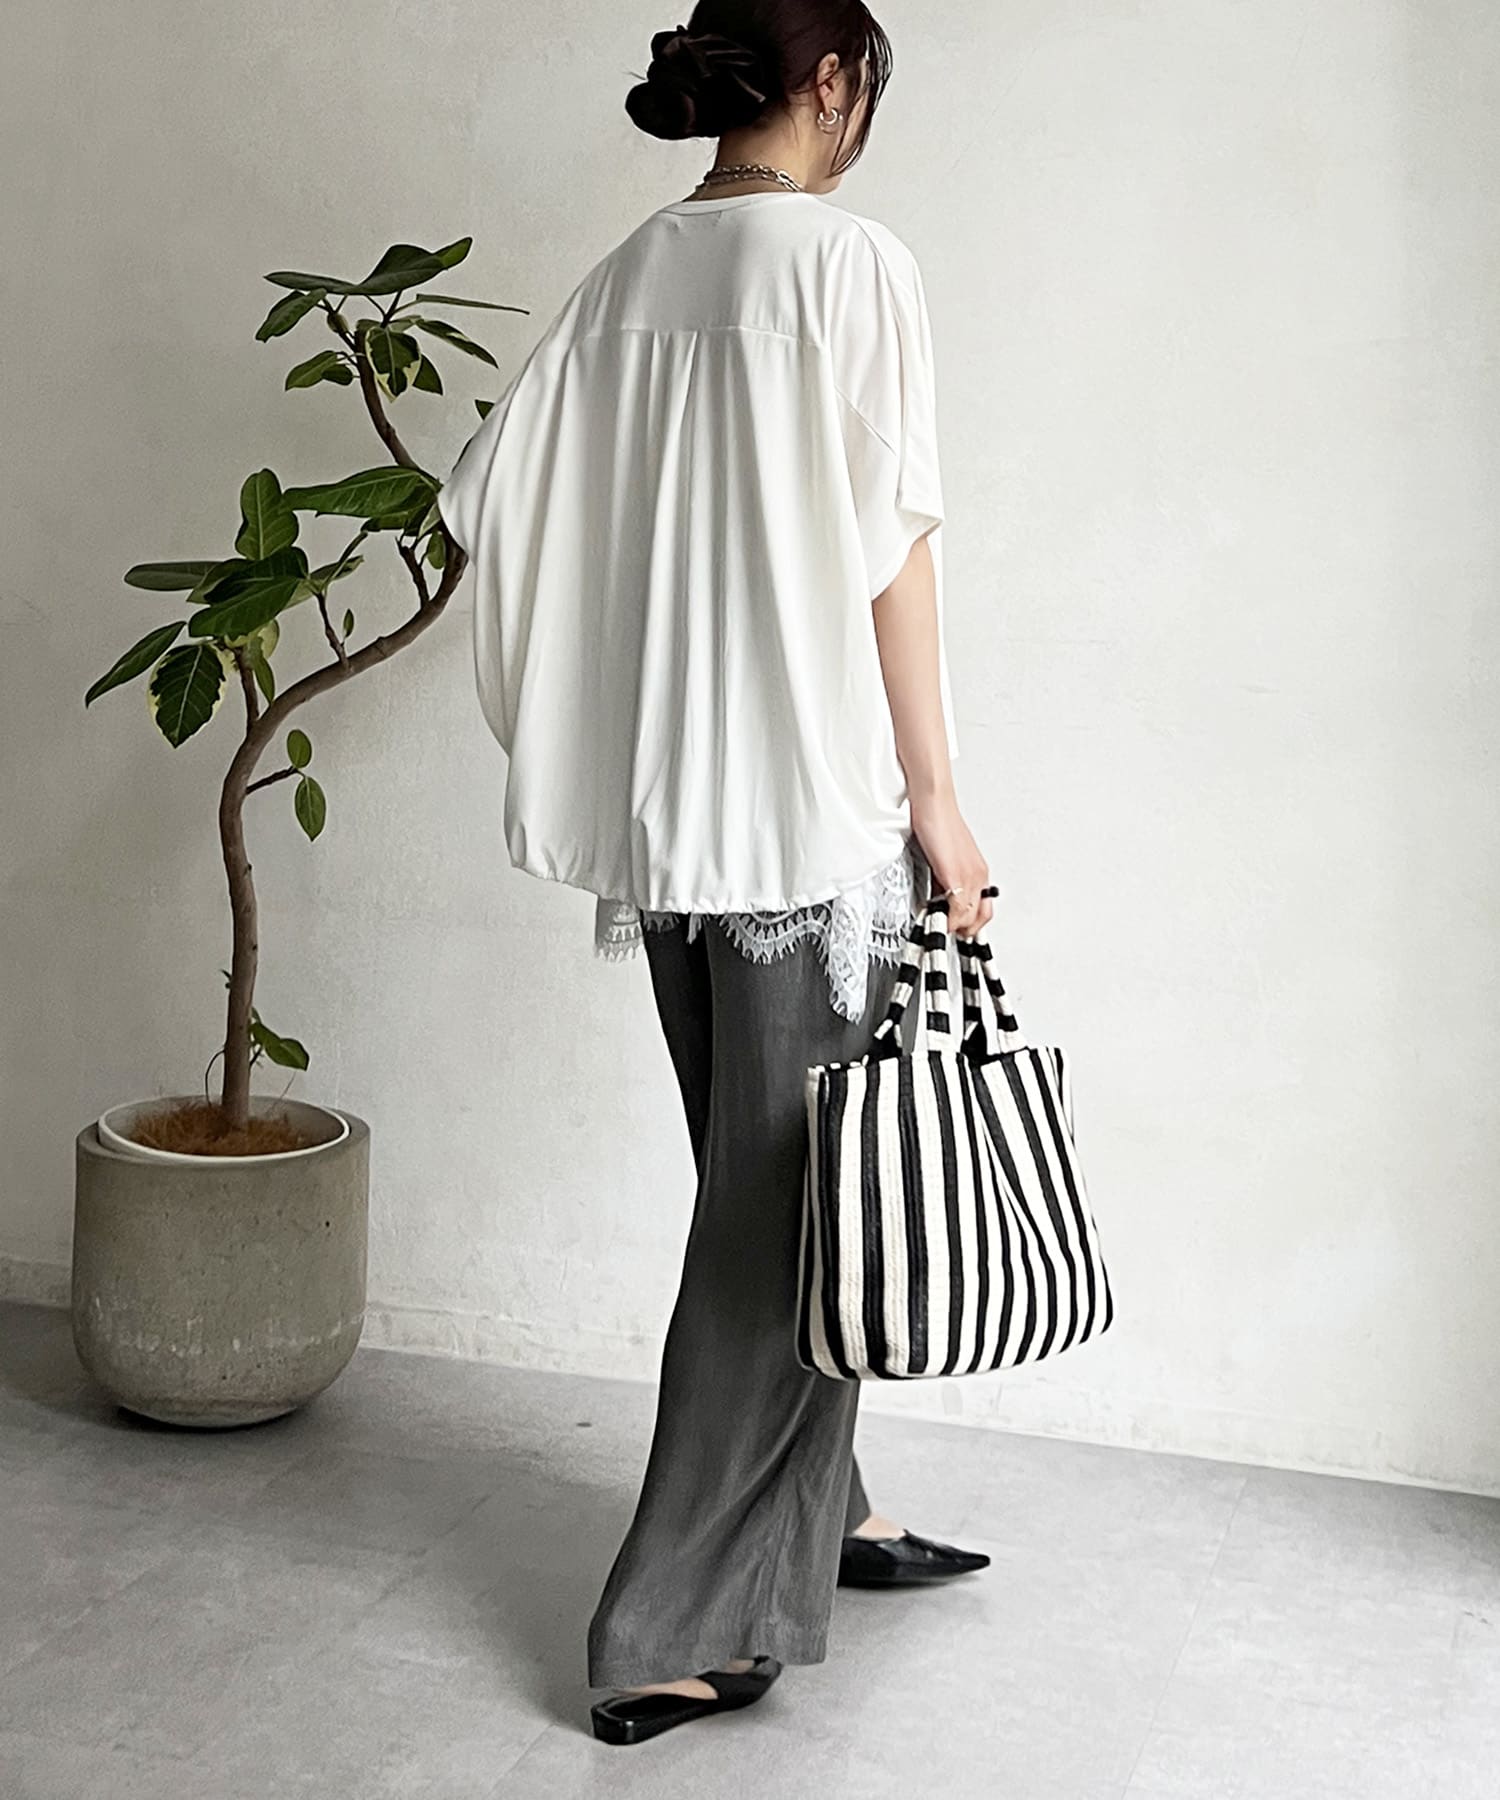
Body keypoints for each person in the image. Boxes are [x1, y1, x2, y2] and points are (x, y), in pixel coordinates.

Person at [435, 0, 996, 1748]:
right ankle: (664, 1625)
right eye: (867, 91)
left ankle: (825, 1515)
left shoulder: (624, 280)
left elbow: (488, 505)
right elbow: (896, 551)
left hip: (676, 832)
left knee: (781, 1185)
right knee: (784, 1205)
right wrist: (938, 798)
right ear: (830, 83)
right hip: (806, 825)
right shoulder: (851, 265)